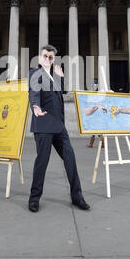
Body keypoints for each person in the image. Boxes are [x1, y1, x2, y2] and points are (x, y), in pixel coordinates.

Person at [28, 44, 90, 212]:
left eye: (50, 57)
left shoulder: (53, 76)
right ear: (40, 58)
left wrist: (61, 77)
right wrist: (35, 106)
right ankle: (34, 198)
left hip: (59, 126)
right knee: (42, 162)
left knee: (70, 158)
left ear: (53, 59)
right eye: (45, 56)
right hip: (43, 125)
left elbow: (61, 92)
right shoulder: (35, 73)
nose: (47, 59)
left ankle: (77, 197)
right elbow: (33, 93)